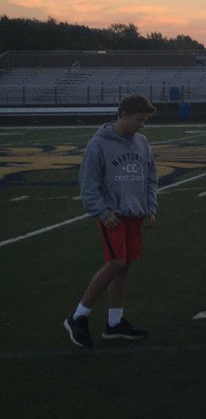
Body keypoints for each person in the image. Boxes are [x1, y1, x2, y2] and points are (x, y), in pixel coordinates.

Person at [64, 94, 159, 349]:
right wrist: (102, 212)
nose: (141, 125)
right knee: (116, 262)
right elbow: (88, 184)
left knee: (123, 266)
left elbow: (150, 177)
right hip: (113, 216)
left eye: (144, 121)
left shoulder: (142, 142)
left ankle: (114, 323)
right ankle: (78, 315)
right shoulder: (98, 144)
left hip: (135, 214)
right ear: (123, 114)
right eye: (138, 120)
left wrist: (150, 207)